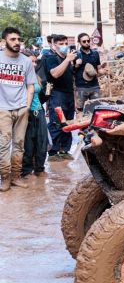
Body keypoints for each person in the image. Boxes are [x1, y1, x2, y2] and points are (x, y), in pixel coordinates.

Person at [0, 27, 37, 190]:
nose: (17, 43)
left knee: (19, 144)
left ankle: (16, 176)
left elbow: (30, 86)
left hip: (22, 107)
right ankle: (5, 178)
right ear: (3, 42)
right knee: (4, 143)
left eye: (18, 40)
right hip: (2, 108)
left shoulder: (26, 61)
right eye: (12, 39)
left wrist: (27, 106)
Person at [41, 34, 76, 160]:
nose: (64, 46)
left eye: (65, 43)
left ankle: (64, 150)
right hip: (56, 94)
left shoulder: (67, 59)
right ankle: (53, 152)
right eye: (60, 44)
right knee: (56, 122)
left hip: (68, 94)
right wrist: (68, 60)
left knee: (68, 123)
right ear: (54, 45)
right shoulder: (50, 58)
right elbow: (55, 74)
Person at [21, 48, 48, 177]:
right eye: (32, 62)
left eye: (36, 62)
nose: (35, 64)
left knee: (42, 142)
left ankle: (40, 169)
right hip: (25, 113)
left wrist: (48, 92)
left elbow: (41, 97)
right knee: (28, 143)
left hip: (39, 111)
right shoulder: (18, 78)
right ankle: (26, 171)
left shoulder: (35, 76)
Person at [73, 33, 102, 111]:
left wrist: (104, 71)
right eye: (84, 41)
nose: (86, 43)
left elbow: (99, 69)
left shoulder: (95, 54)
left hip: (95, 86)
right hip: (81, 87)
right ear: (79, 42)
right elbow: (71, 71)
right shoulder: (76, 55)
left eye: (88, 41)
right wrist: (76, 65)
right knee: (81, 111)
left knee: (97, 110)